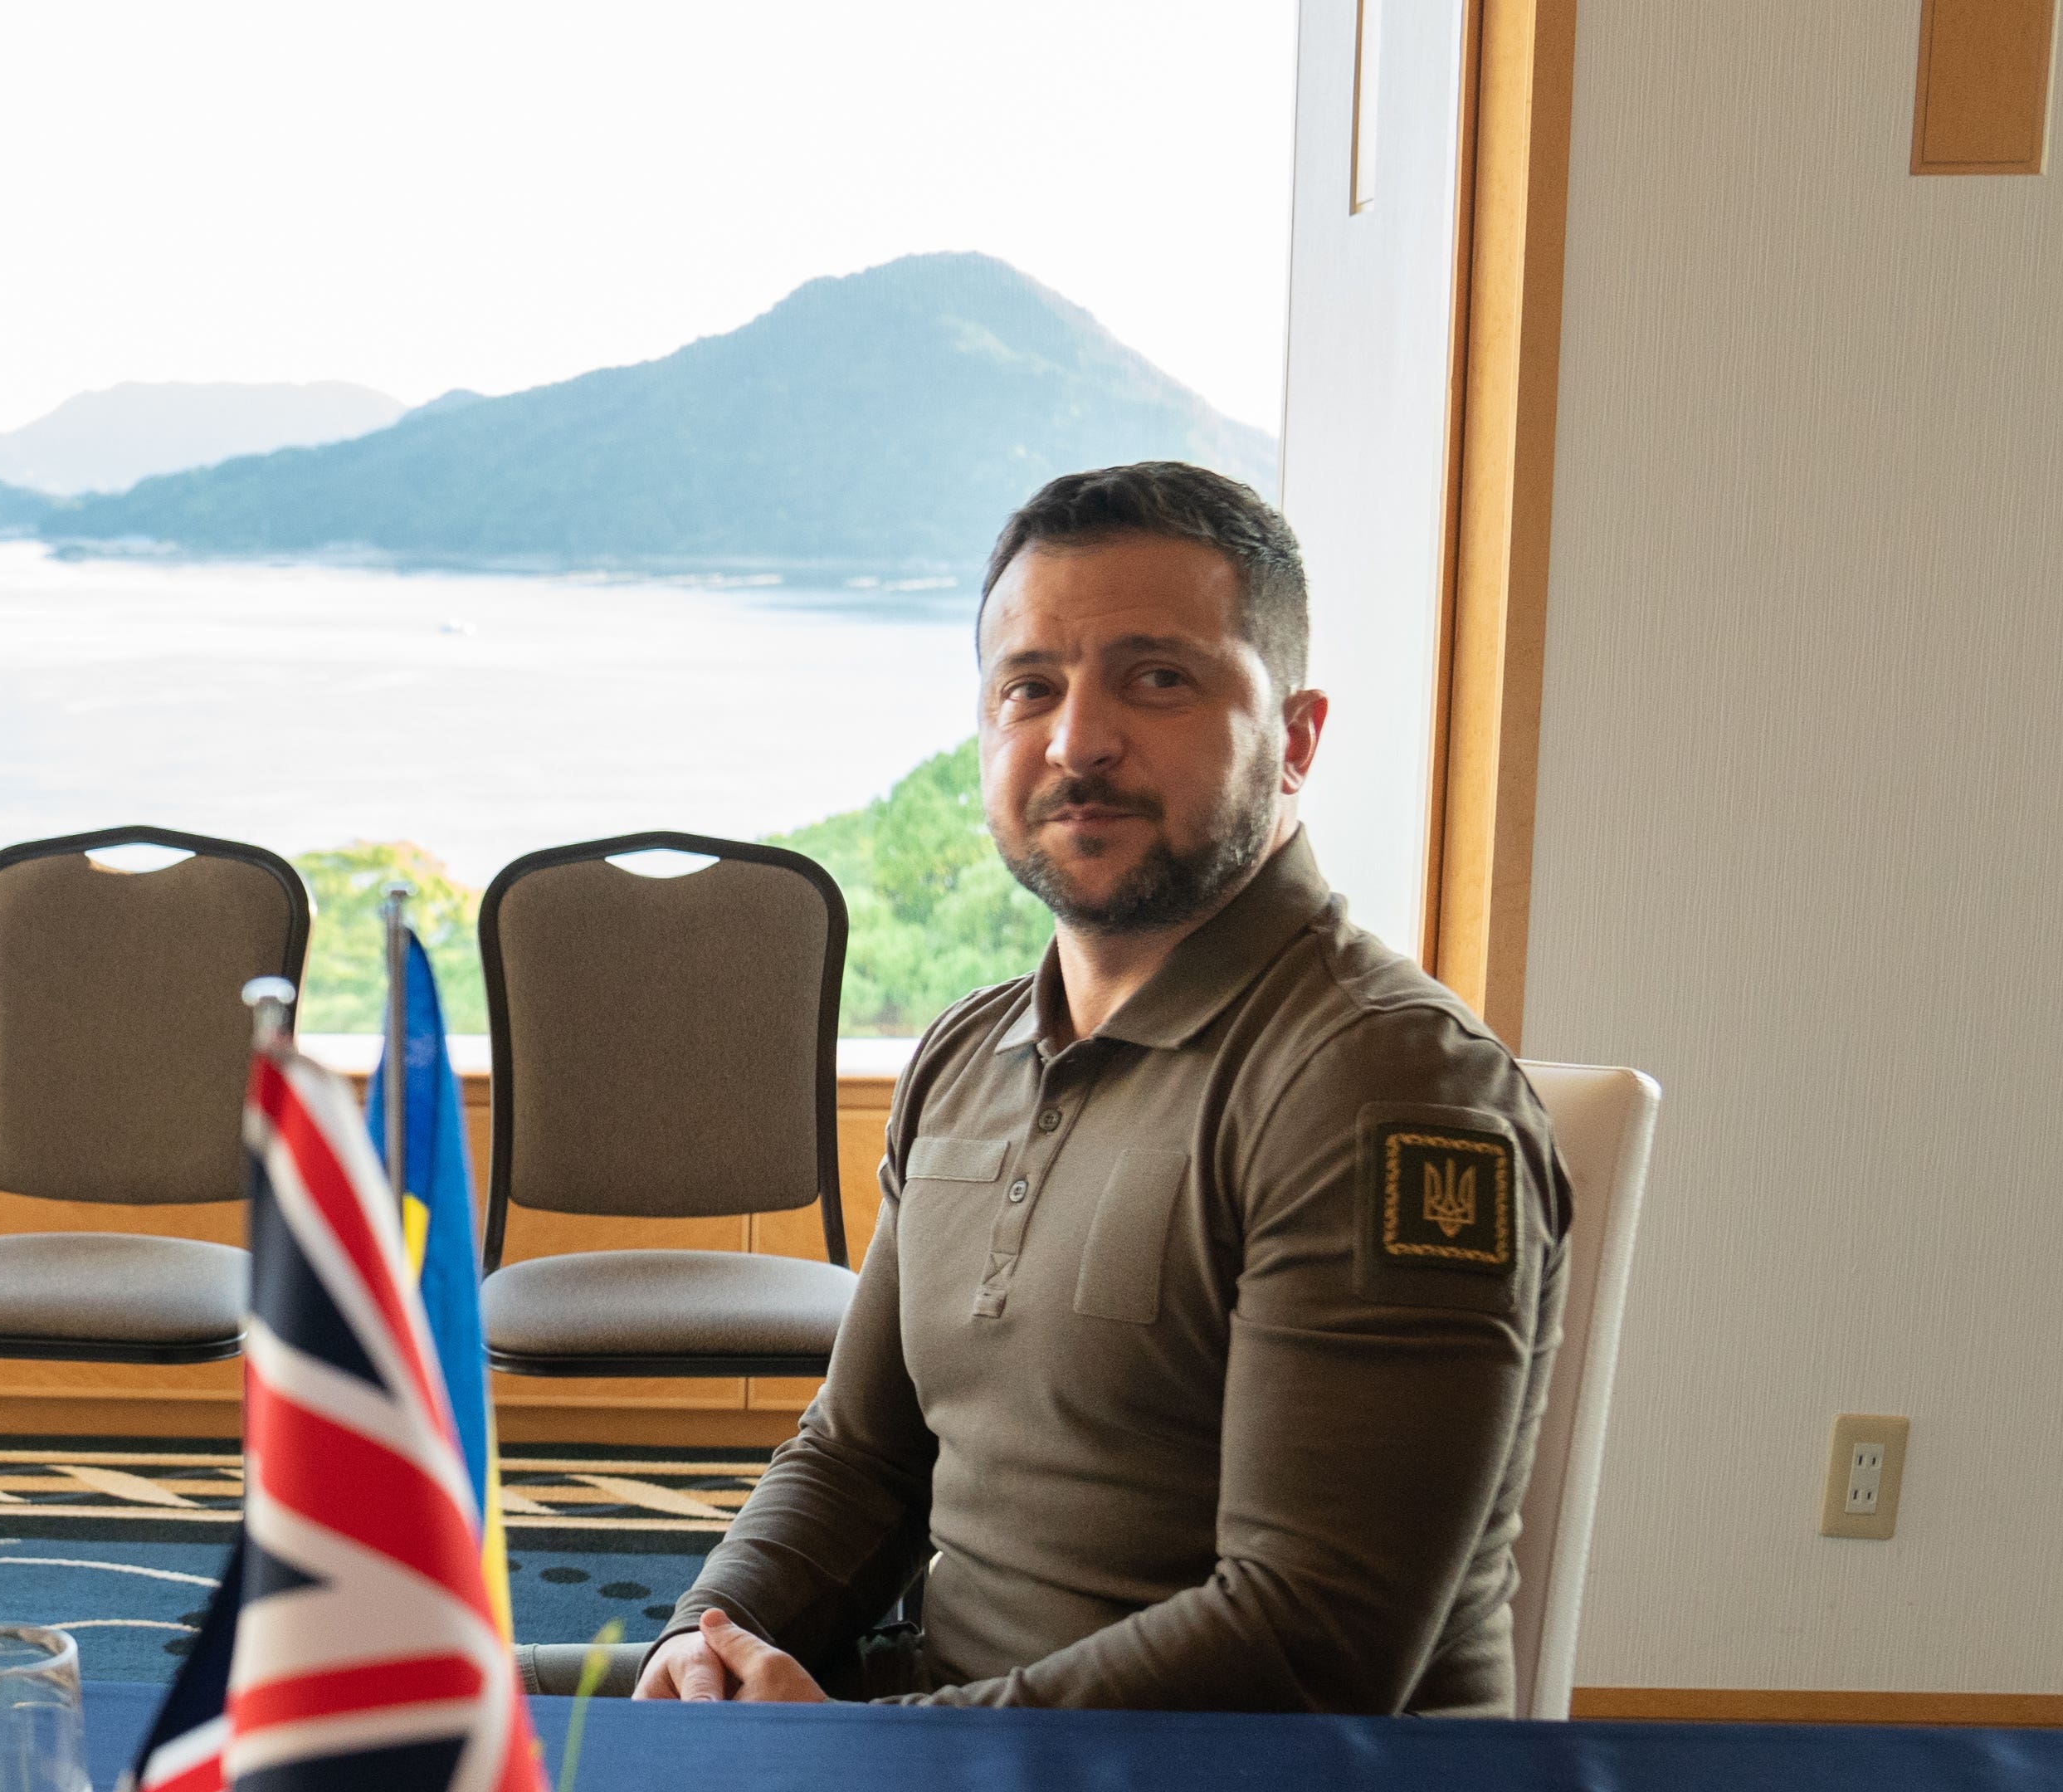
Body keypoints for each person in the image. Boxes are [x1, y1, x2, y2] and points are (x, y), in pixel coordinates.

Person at [639, 461, 1565, 1712]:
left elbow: (1314, 1639)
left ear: (1293, 742)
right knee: (413, 1740)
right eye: (1031, 687)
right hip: (953, 1747)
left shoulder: (1385, 1085)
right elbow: (861, 1457)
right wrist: (709, 1636)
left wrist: (869, 1753)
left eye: (1160, 679)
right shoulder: (967, 1058)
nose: (1078, 740)